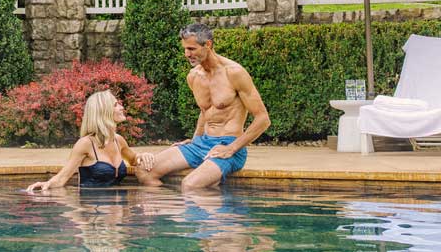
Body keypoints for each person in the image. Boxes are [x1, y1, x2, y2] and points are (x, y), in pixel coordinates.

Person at [138, 22, 270, 190]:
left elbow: (263, 119)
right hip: (201, 143)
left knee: (189, 185)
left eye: (192, 49)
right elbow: (205, 111)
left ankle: (217, 213)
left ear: (208, 44)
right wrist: (194, 139)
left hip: (227, 144)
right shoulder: (193, 76)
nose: (187, 54)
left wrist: (231, 148)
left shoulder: (234, 73)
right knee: (144, 171)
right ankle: (169, 211)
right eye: (185, 49)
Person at [25, 90, 155, 192]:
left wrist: (142, 156)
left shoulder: (118, 140)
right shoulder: (86, 144)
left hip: (117, 215)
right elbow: (63, 177)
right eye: (116, 105)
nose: (122, 107)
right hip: (93, 214)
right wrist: (46, 184)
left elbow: (133, 159)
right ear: (103, 111)